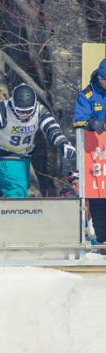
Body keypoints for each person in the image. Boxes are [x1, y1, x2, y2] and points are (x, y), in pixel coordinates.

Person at [0, 83, 75, 198]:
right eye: (20, 111)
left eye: (28, 111)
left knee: (21, 188)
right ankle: (15, 214)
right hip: (3, 154)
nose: (25, 116)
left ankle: (4, 210)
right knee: (16, 190)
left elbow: (52, 128)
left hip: (23, 156)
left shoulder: (40, 111)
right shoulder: (1, 111)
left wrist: (63, 143)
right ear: (12, 104)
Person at [73, 58, 106, 244]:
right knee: (99, 198)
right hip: (95, 156)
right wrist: (90, 123)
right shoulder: (87, 95)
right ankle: (103, 241)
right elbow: (78, 120)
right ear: (101, 78)